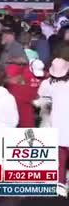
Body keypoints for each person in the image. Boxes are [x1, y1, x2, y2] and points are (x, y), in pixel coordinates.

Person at [37, 58, 69, 197]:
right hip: (61, 128)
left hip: (58, 129)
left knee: (59, 164)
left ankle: (60, 190)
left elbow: (41, 104)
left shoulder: (46, 84)